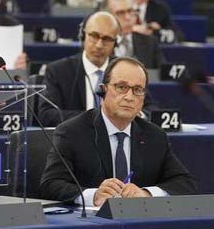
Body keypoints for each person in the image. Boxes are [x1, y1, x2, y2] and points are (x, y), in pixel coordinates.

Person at [40, 56, 197, 205]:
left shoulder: (155, 136)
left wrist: (146, 194)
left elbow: (184, 183)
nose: (129, 97)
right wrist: (92, 195)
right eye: (121, 87)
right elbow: (50, 184)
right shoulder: (71, 132)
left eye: (137, 89)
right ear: (103, 90)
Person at [106, 0, 163, 69]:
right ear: (108, 17)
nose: (128, 17)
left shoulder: (150, 42)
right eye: (120, 13)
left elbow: (164, 73)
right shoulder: (102, 43)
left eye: (130, 11)